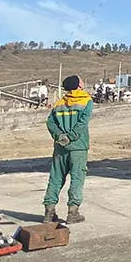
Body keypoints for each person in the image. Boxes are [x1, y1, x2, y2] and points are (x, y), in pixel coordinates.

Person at [43, 75, 93, 224]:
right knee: (77, 177)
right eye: (81, 80)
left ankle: (49, 212)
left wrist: (59, 136)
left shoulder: (59, 103)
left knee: (56, 178)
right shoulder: (86, 101)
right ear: (78, 85)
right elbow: (83, 122)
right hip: (78, 146)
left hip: (60, 147)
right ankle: (73, 212)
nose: (83, 82)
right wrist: (71, 136)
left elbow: (50, 122)